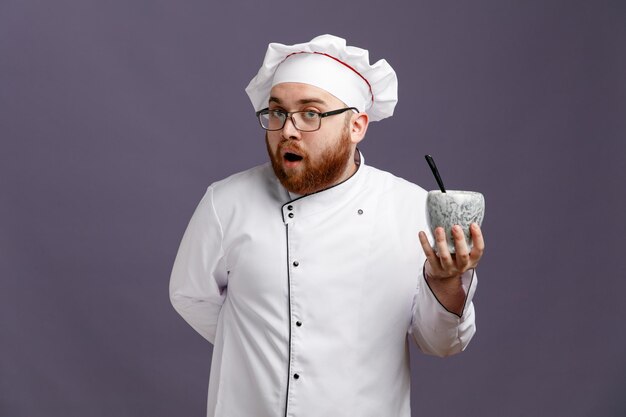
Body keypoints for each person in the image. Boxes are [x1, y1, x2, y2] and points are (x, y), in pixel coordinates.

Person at [169, 34, 484, 417]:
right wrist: (256, 345)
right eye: (277, 112)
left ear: (357, 126)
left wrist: (446, 282)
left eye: (310, 114)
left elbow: (441, 344)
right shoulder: (226, 202)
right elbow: (190, 294)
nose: (287, 129)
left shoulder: (410, 208)